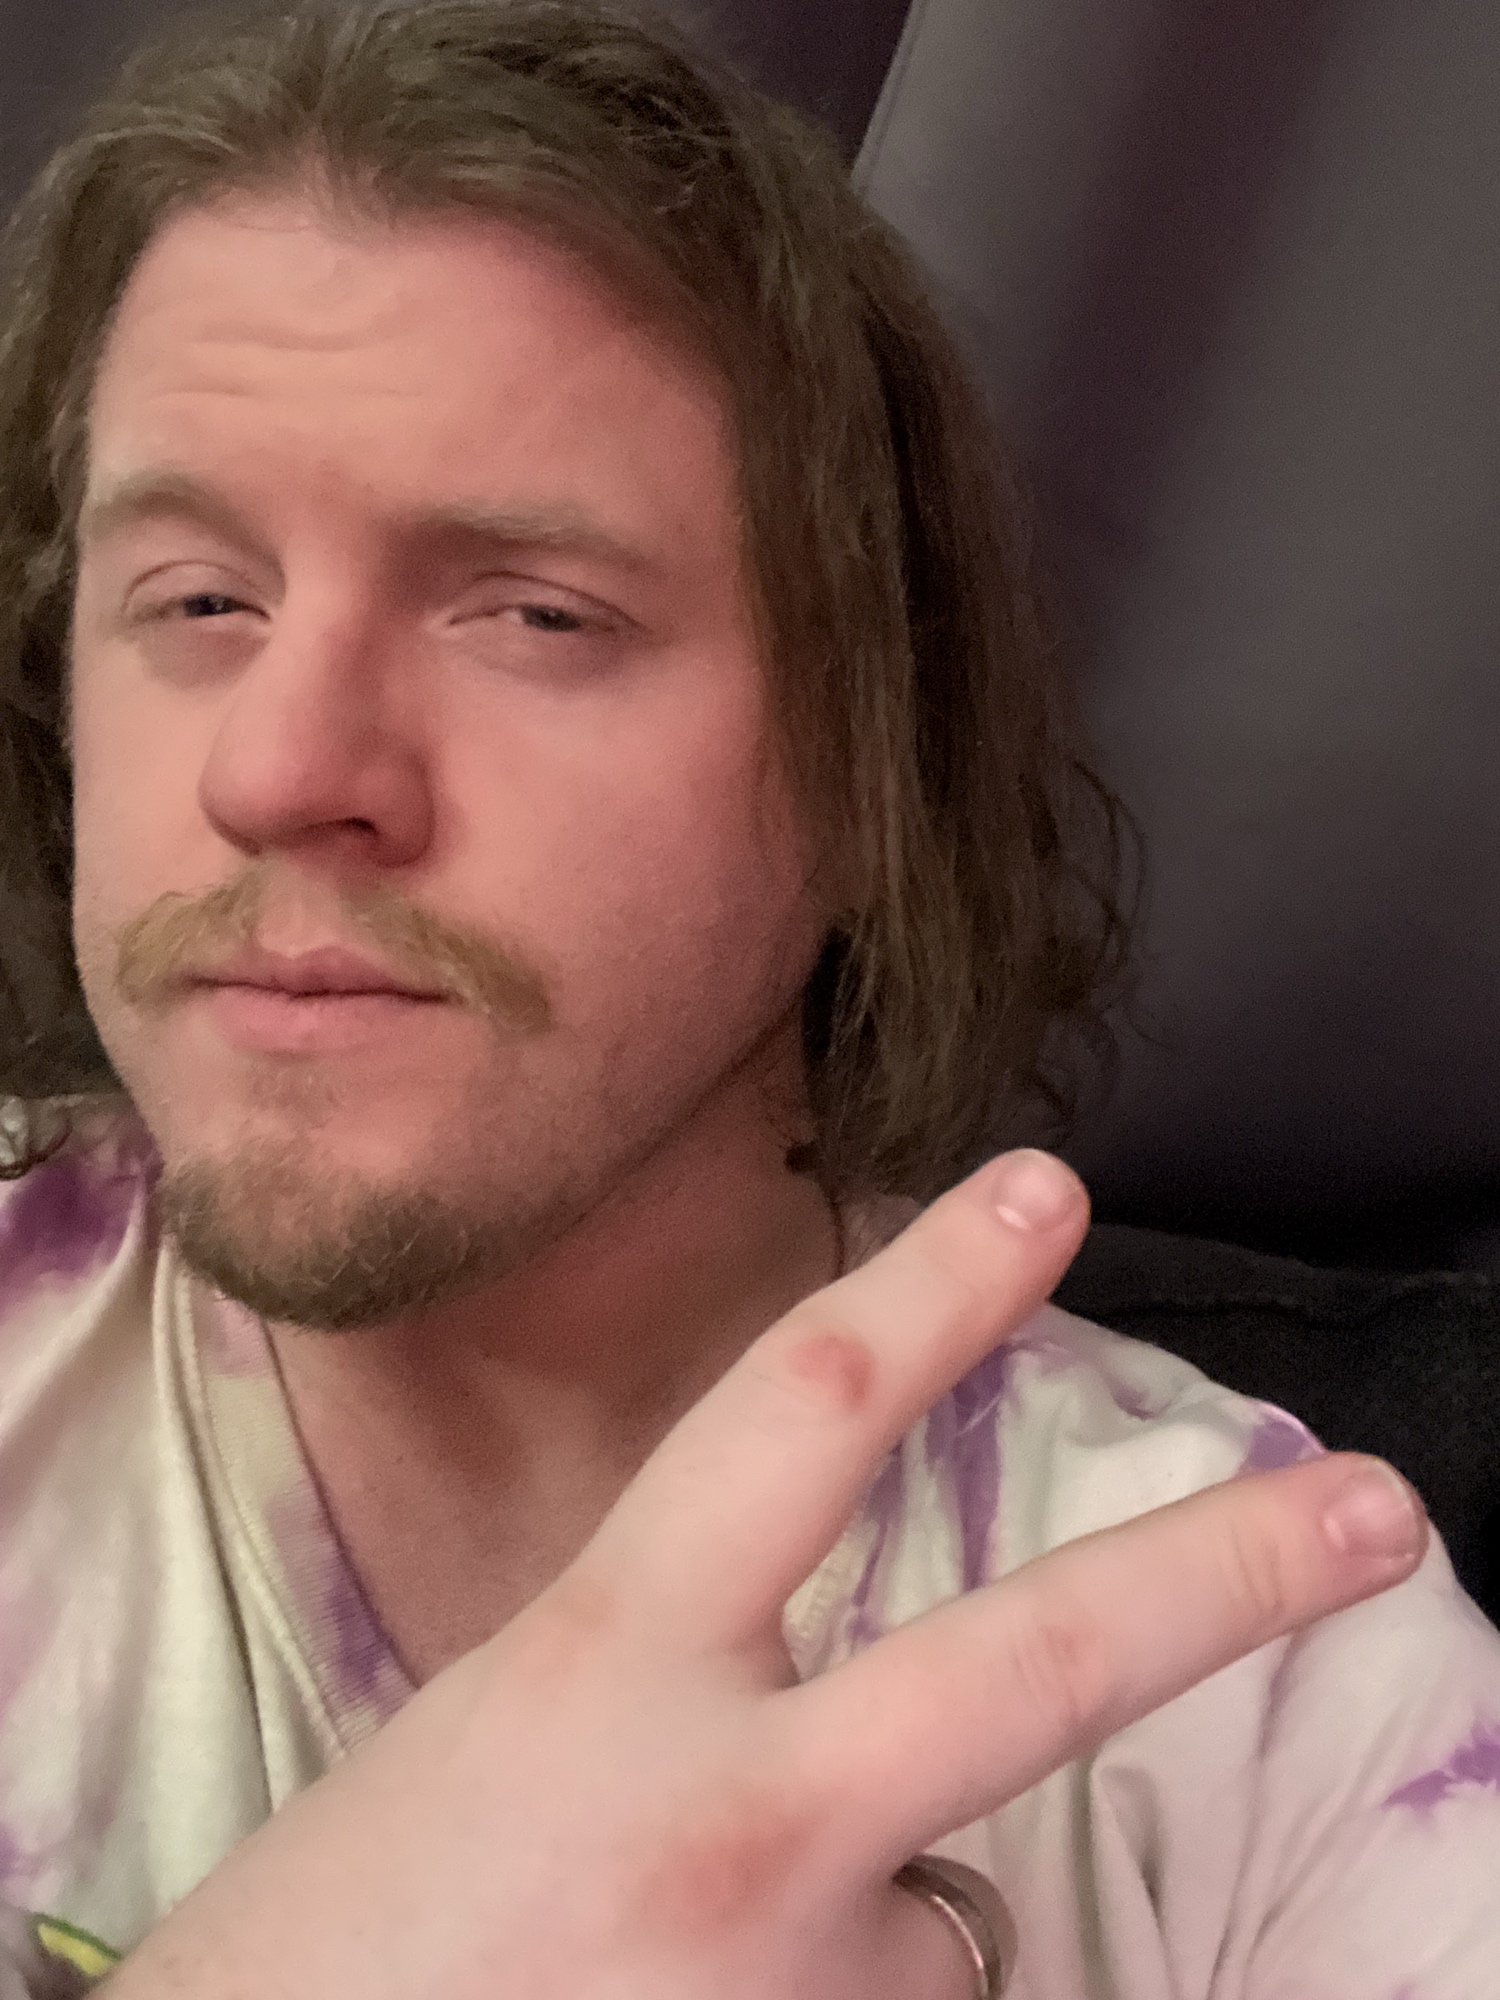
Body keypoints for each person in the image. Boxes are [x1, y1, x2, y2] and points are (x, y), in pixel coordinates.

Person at [0, 2, 1495, 1994]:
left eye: (535, 613)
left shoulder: (1275, 1682)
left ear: (877, 772)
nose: (273, 769)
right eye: (198, 599)